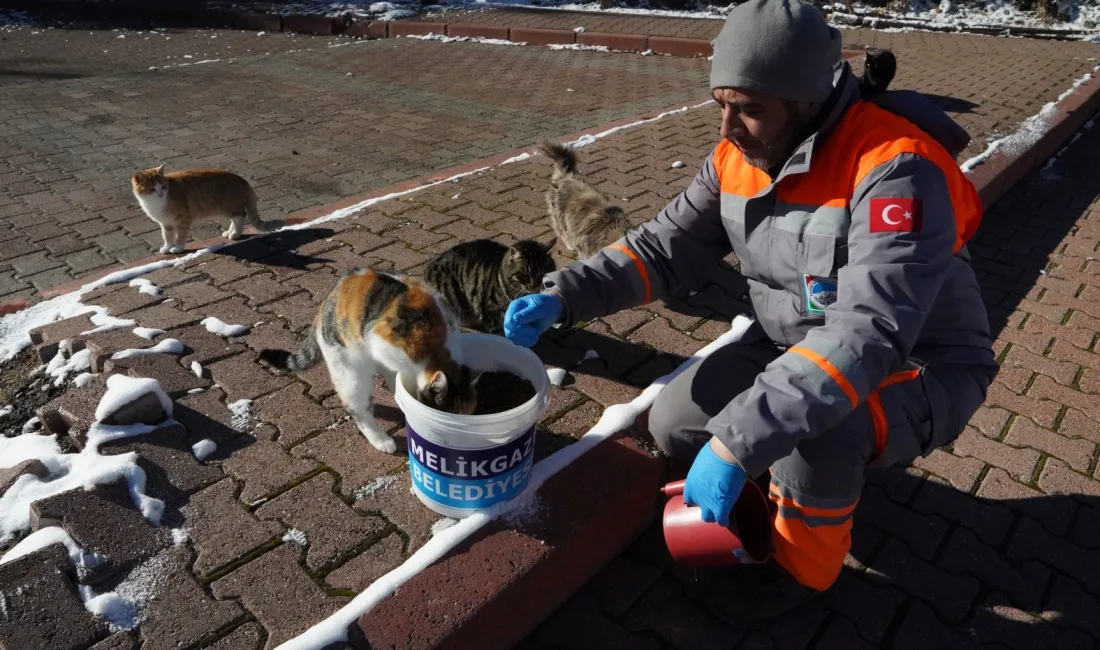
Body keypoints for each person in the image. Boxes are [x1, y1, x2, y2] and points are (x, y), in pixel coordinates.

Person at [502, 0, 998, 625]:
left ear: (808, 101)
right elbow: (662, 248)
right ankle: (781, 487)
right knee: (677, 422)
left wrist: (738, 444)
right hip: (792, 343)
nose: (729, 127)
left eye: (751, 108)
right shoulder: (738, 157)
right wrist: (564, 294)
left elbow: (868, 333)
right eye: (721, 104)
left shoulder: (896, 169)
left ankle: (798, 575)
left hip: (918, 364)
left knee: (819, 430)